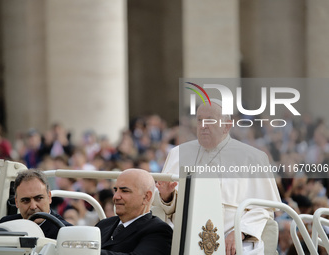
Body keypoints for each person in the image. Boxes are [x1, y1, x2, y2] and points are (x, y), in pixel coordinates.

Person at [155, 99, 281, 255]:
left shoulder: (253, 158)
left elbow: (263, 208)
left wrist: (239, 232)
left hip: (231, 238)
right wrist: (167, 196)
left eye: (210, 121)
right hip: (181, 235)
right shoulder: (177, 154)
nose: (203, 126)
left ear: (227, 126)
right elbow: (163, 206)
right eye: (200, 120)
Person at [95, 168, 172, 255]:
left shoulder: (159, 231)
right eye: (116, 190)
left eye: (124, 191)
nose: (116, 196)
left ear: (146, 197)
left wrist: (87, 252)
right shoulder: (104, 224)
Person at [0, 169, 72, 239]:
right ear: (16, 202)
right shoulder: (5, 226)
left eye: (39, 198)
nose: (33, 206)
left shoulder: (66, 232)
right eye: (25, 200)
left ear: (49, 197)